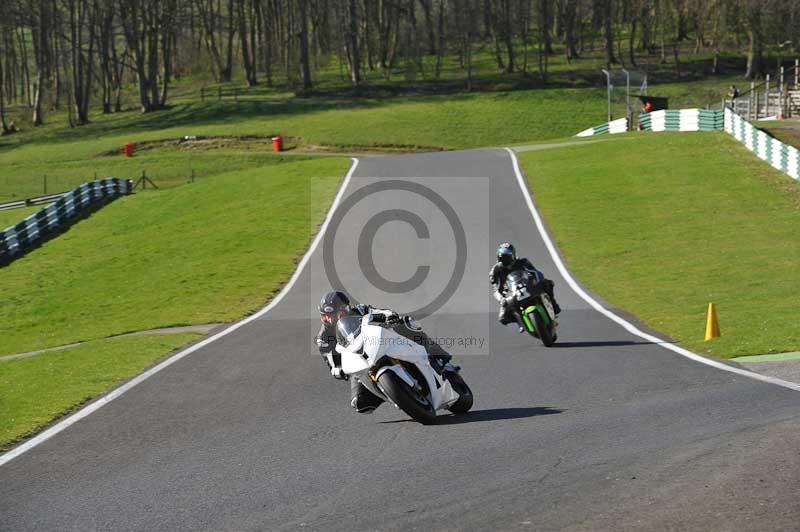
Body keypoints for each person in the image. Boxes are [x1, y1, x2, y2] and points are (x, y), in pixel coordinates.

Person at [315, 289, 457, 414]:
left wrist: (389, 315)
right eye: (325, 315)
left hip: (377, 342)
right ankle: (391, 391)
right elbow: (332, 362)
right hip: (358, 360)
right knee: (360, 403)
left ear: (345, 308)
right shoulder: (323, 338)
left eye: (334, 313)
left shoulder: (360, 310)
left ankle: (438, 355)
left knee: (406, 323)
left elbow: (380, 312)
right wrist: (338, 371)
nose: (329, 318)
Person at [490, 242, 561, 332]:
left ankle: (554, 305)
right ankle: (520, 323)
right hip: (510, 292)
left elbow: (535, 272)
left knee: (547, 284)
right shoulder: (495, 271)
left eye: (506, 257)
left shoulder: (523, 262)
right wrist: (501, 299)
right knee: (503, 318)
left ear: (513, 255)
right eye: (501, 258)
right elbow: (495, 289)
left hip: (527, 285)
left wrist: (538, 280)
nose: (504, 260)